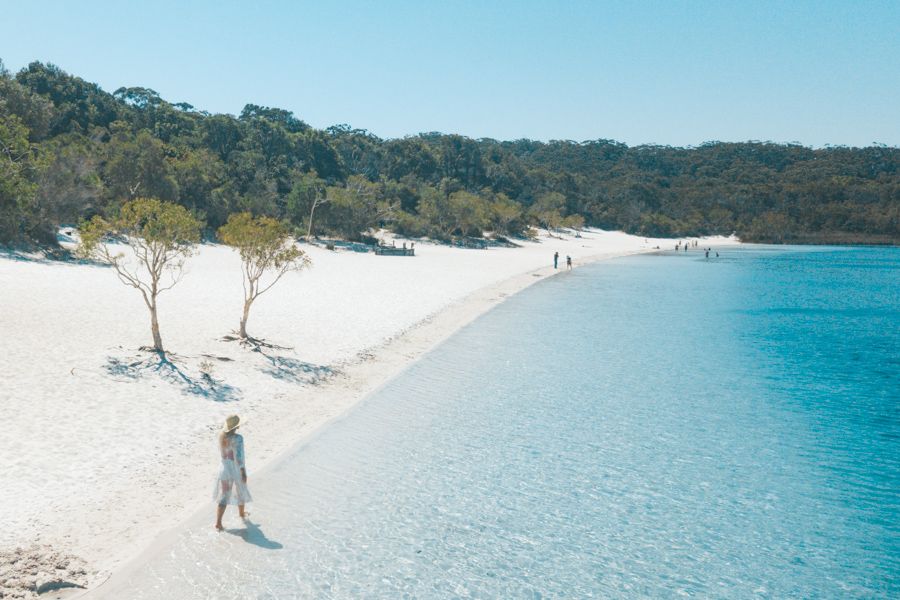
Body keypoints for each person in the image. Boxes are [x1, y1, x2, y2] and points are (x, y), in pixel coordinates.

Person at [214, 414, 252, 530]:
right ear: (236, 427)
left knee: (223, 497)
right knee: (241, 491)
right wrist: (243, 472)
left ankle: (218, 523)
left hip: (224, 469)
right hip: (235, 469)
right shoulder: (238, 438)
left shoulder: (220, 436)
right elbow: (239, 458)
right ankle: (241, 513)